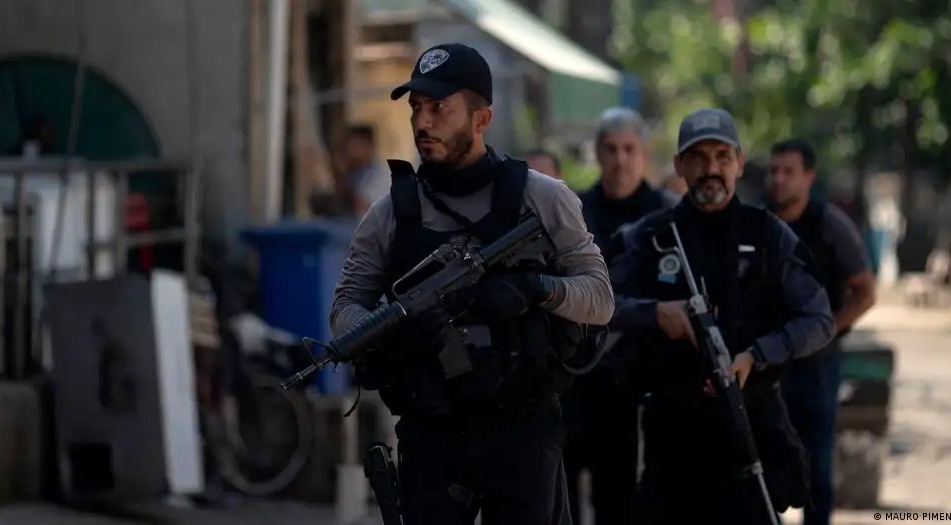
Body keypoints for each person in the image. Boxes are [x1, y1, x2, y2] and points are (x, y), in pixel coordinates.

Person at [332, 43, 614, 525]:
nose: (422, 122)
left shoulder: (542, 198)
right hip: (432, 430)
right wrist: (387, 330)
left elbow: (601, 299)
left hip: (521, 428)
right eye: (417, 108)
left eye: (439, 108)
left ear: (481, 118)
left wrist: (537, 289)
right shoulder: (389, 215)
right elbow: (345, 310)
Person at [608, 108, 834, 524]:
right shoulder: (649, 237)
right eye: (698, 158)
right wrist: (655, 314)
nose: (711, 169)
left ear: (740, 163)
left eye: (722, 157)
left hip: (749, 430)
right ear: (679, 165)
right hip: (672, 437)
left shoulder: (769, 235)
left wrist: (757, 354)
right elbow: (599, 307)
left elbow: (819, 320)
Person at [562, 106, 676, 525]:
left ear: (644, 153)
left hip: (640, 382)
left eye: (630, 149)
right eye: (611, 149)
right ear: (597, 153)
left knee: (622, 501)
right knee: (564, 500)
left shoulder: (669, 215)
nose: (620, 159)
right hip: (576, 378)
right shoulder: (575, 213)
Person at [767, 138, 876, 525]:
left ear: (808, 177)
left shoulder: (829, 225)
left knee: (816, 469)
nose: (779, 179)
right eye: (774, 170)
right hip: (766, 364)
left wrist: (827, 330)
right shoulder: (758, 223)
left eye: (788, 172)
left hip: (817, 366)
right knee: (764, 468)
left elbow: (865, 292)